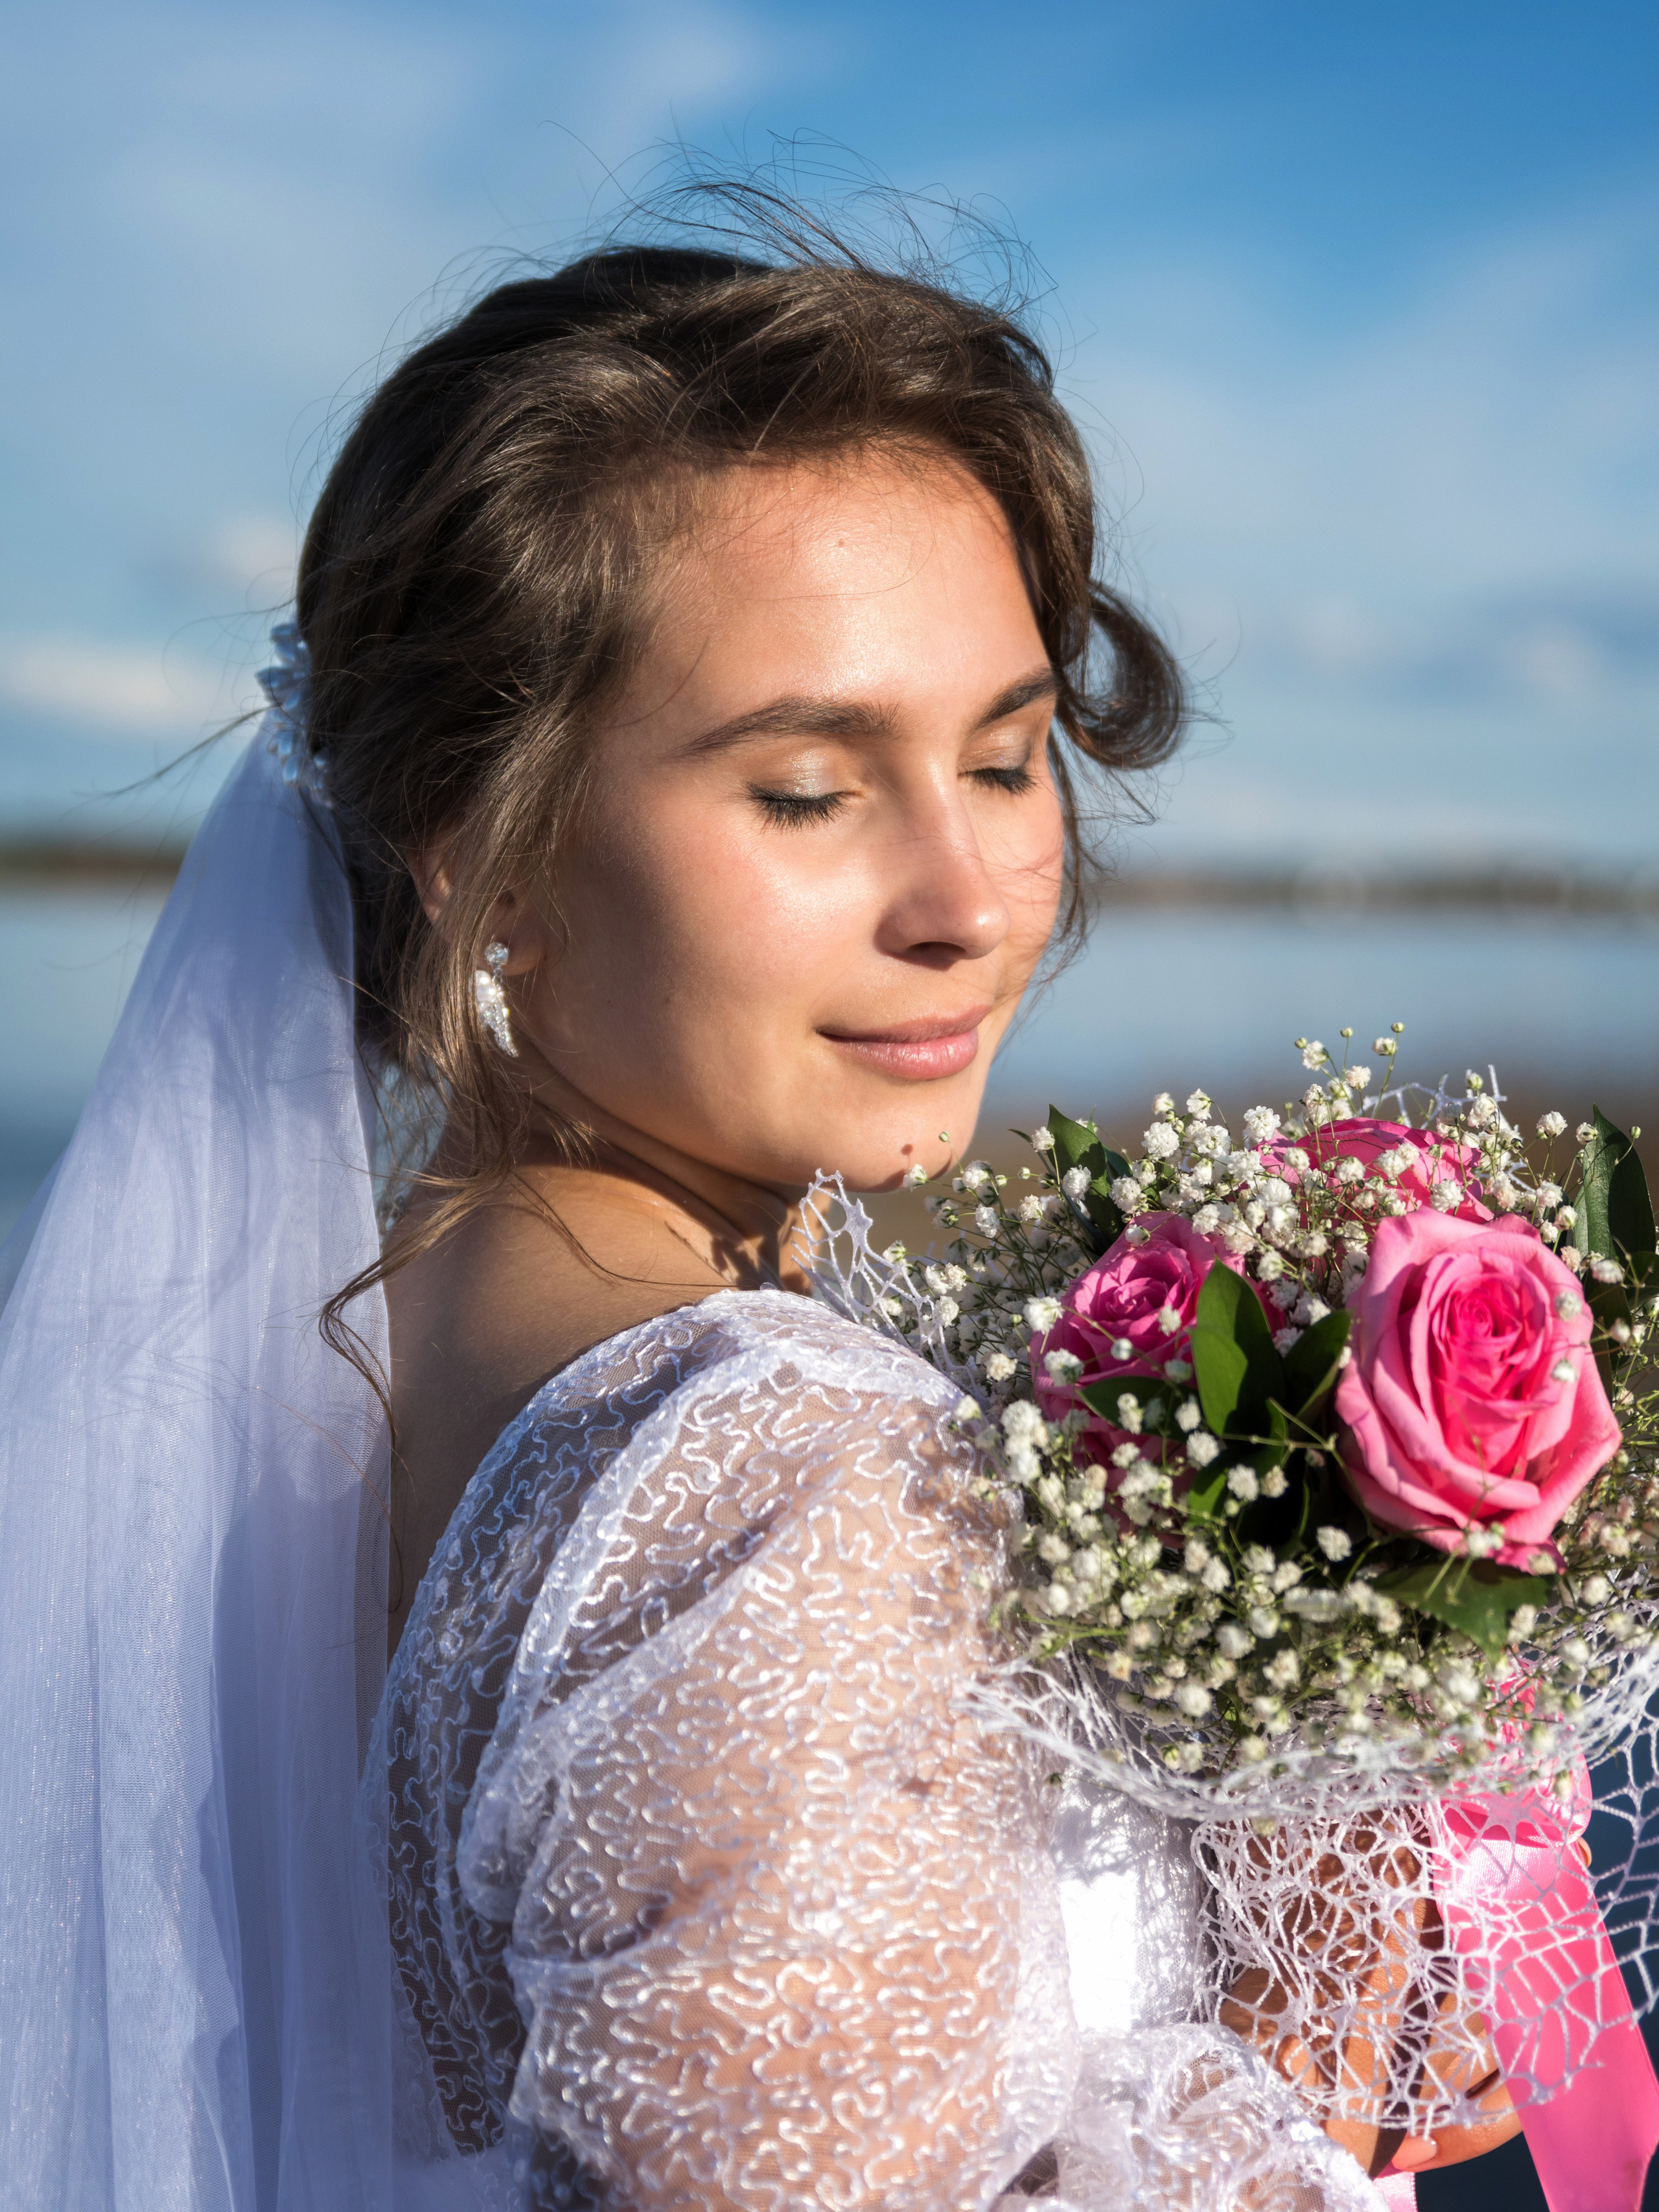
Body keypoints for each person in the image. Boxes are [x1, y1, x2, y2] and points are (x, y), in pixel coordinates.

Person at [0, 222, 1437, 2209]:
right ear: (479, 853)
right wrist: (1310, 2078)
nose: (971, 894)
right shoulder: (789, 1487)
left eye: (1009, 756)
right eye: (805, 789)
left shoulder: (360, 1331)